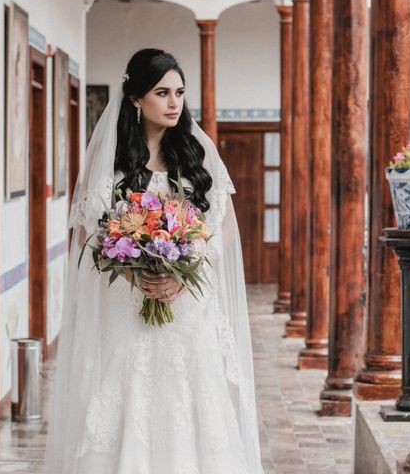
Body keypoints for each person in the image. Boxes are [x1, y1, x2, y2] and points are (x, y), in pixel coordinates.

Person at [43, 48, 264, 474]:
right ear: (135, 100)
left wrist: (185, 273)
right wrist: (133, 268)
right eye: (162, 92)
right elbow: (90, 235)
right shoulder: (108, 162)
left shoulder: (199, 154)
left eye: (179, 92)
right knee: (128, 388)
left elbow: (225, 230)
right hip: (125, 303)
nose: (174, 102)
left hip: (187, 307)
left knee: (188, 394)